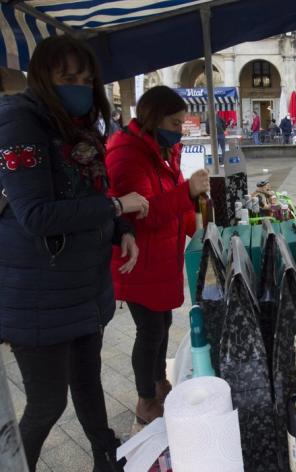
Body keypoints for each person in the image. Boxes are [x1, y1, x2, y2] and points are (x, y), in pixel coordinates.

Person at [0, 36, 150, 472]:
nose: (80, 86)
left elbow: (94, 189)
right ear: (44, 77)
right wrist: (118, 208)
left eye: (87, 78)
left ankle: (105, 453)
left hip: (83, 286)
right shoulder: (19, 122)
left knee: (88, 380)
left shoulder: (79, 123)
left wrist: (118, 229)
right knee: (47, 402)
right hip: (37, 295)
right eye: (69, 77)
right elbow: (36, 214)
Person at [106, 86, 209, 425]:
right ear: (153, 118)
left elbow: (176, 205)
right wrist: (188, 191)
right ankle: (146, 400)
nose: (181, 129)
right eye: (176, 122)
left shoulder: (164, 152)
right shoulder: (128, 154)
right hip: (139, 263)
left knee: (162, 325)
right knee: (149, 332)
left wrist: (201, 231)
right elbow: (142, 213)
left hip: (162, 259)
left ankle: (158, 381)